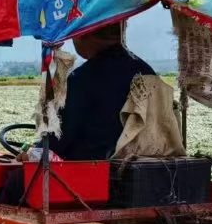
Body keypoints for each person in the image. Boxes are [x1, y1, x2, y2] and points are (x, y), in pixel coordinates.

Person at [50, 22, 157, 160]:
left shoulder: (81, 79)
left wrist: (37, 150)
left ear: (83, 33)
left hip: (94, 171)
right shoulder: (147, 71)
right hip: (144, 168)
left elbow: (60, 139)